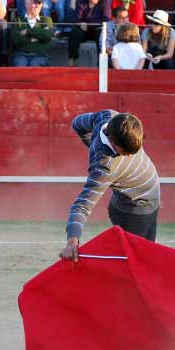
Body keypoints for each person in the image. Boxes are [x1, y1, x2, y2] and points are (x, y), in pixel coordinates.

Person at [60, 110, 160, 261]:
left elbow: (77, 123)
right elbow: (82, 206)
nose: (129, 155)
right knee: (139, 262)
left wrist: (93, 146)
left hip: (143, 199)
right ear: (112, 140)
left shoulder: (108, 116)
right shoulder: (104, 167)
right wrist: (72, 241)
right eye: (125, 152)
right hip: (134, 209)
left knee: (143, 258)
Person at [9, 0, 52, 67]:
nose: (37, 5)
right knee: (20, 64)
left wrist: (27, 32)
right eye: (34, 3)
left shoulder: (46, 20)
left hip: (40, 55)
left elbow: (47, 35)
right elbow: (15, 39)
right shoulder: (17, 20)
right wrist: (33, 39)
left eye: (39, 3)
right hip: (21, 55)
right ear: (26, 3)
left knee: (34, 65)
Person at [67, 0, 110, 67]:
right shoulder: (80, 1)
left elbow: (106, 20)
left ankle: (101, 65)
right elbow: (77, 18)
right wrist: (80, 23)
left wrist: (88, 24)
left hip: (98, 29)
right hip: (84, 29)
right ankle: (71, 62)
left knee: (101, 35)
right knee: (75, 32)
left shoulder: (104, 2)